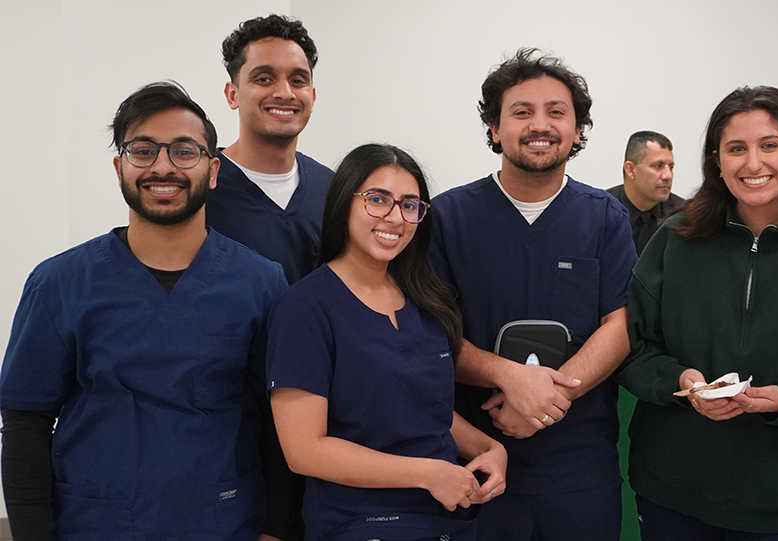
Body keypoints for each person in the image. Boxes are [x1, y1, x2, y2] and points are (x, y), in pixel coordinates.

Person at [0, 81, 288, 540]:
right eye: (143, 150)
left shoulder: (260, 283)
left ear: (213, 171)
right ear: (120, 167)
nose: (163, 167)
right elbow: (24, 420)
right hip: (96, 525)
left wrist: (279, 528)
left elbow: (280, 418)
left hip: (225, 522)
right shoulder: (59, 283)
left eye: (183, 151)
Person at [428, 48, 637, 541]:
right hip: (471, 459)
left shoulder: (605, 217)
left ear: (578, 130)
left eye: (556, 112)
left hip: (578, 465)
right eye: (521, 112)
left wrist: (545, 398)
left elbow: (621, 322)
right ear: (495, 129)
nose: (539, 124)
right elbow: (429, 333)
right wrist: (508, 377)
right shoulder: (447, 218)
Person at [617, 86, 778, 541]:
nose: (753, 163)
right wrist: (679, 381)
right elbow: (632, 348)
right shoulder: (675, 240)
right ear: (716, 163)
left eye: (770, 145)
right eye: (736, 149)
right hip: (672, 490)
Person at [265, 144, 506, 541]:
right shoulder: (305, 308)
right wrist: (427, 473)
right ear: (345, 202)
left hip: (445, 517)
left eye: (410, 205)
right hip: (359, 521)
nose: (395, 217)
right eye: (377, 200)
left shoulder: (425, 302)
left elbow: (424, 408)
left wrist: (489, 449)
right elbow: (304, 450)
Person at [207, 14, 333, 284]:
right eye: (264, 79)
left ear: (312, 97)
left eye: (298, 81)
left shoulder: (332, 190)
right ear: (232, 94)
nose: (285, 93)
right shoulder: (200, 186)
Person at [606, 130, 686, 255]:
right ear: (631, 170)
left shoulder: (683, 215)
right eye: (658, 165)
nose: (668, 175)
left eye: (671, 167)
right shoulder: (601, 210)